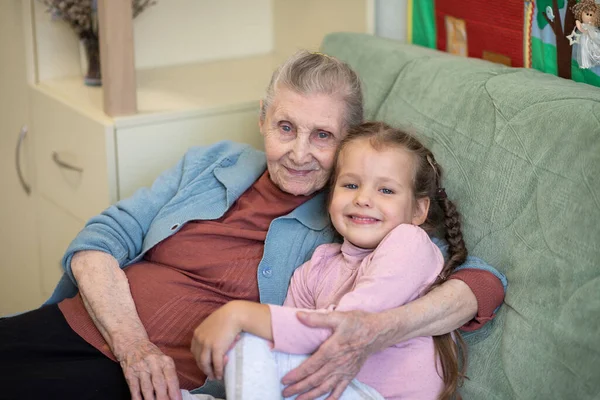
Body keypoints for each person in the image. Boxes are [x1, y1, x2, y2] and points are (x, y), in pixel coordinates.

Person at [0, 51, 506, 400]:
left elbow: (480, 282)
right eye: (286, 127)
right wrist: (134, 345)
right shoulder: (212, 162)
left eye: (323, 135)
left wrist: (370, 330)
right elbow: (99, 242)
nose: (300, 153)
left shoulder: (356, 215)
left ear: (348, 141)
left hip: (159, 382)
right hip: (88, 326)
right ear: (263, 119)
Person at [190, 121, 468, 400]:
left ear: (419, 210)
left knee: (250, 345)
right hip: (328, 384)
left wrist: (238, 314)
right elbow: (288, 345)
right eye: (350, 184)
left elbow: (348, 328)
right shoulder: (316, 267)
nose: (363, 198)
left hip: (377, 394)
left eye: (386, 190)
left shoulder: (410, 243)